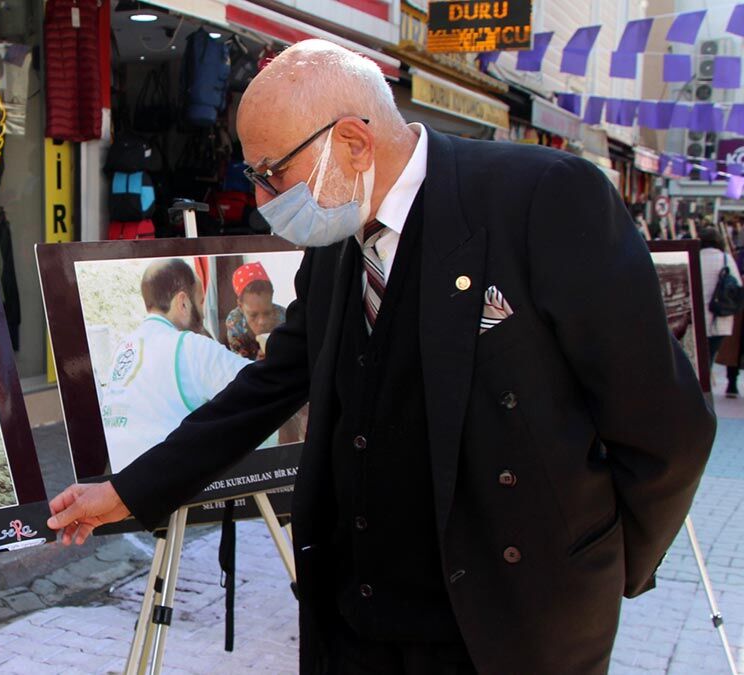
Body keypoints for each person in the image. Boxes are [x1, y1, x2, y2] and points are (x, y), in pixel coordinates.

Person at [47, 40, 715, 674]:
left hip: (503, 627)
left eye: (273, 171)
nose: (261, 197)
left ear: (354, 142)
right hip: (358, 624)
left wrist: (602, 562)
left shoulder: (541, 198)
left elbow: (665, 425)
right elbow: (266, 388)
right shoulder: (337, 239)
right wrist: (127, 492)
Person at [100, 259, 251, 472]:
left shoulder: (123, 348)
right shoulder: (189, 345)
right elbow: (257, 385)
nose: (203, 313)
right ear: (183, 302)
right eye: (200, 302)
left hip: (124, 480)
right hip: (175, 485)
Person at [225, 262, 288, 360]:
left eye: (267, 313)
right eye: (253, 315)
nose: (262, 322)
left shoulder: (285, 319)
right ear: (240, 306)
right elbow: (239, 364)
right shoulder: (235, 323)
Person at [699, 226, 740, 361]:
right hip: (719, 317)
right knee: (709, 358)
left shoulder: (694, 257)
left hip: (696, 318)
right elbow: (738, 286)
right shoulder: (726, 260)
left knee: (696, 360)